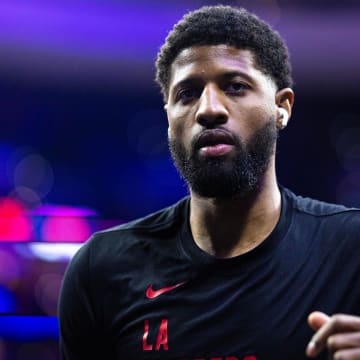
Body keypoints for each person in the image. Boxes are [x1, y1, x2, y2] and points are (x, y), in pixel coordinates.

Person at [58, 5, 360, 360]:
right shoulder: (102, 269)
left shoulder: (351, 250)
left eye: (235, 86)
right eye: (187, 93)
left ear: (283, 108)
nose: (209, 109)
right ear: (169, 119)